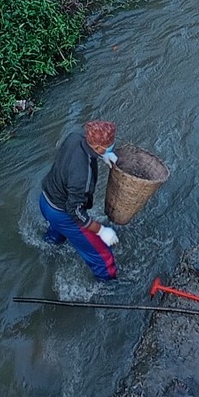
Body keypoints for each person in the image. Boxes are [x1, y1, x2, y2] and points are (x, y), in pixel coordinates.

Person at [39, 120, 120, 280]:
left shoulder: (74, 138)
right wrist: (101, 231)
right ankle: (109, 287)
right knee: (103, 257)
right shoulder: (83, 176)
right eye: (109, 145)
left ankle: (49, 248)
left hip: (46, 199)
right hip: (63, 214)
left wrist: (104, 155)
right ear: (97, 148)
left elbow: (76, 157)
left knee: (55, 236)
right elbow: (75, 212)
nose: (112, 145)